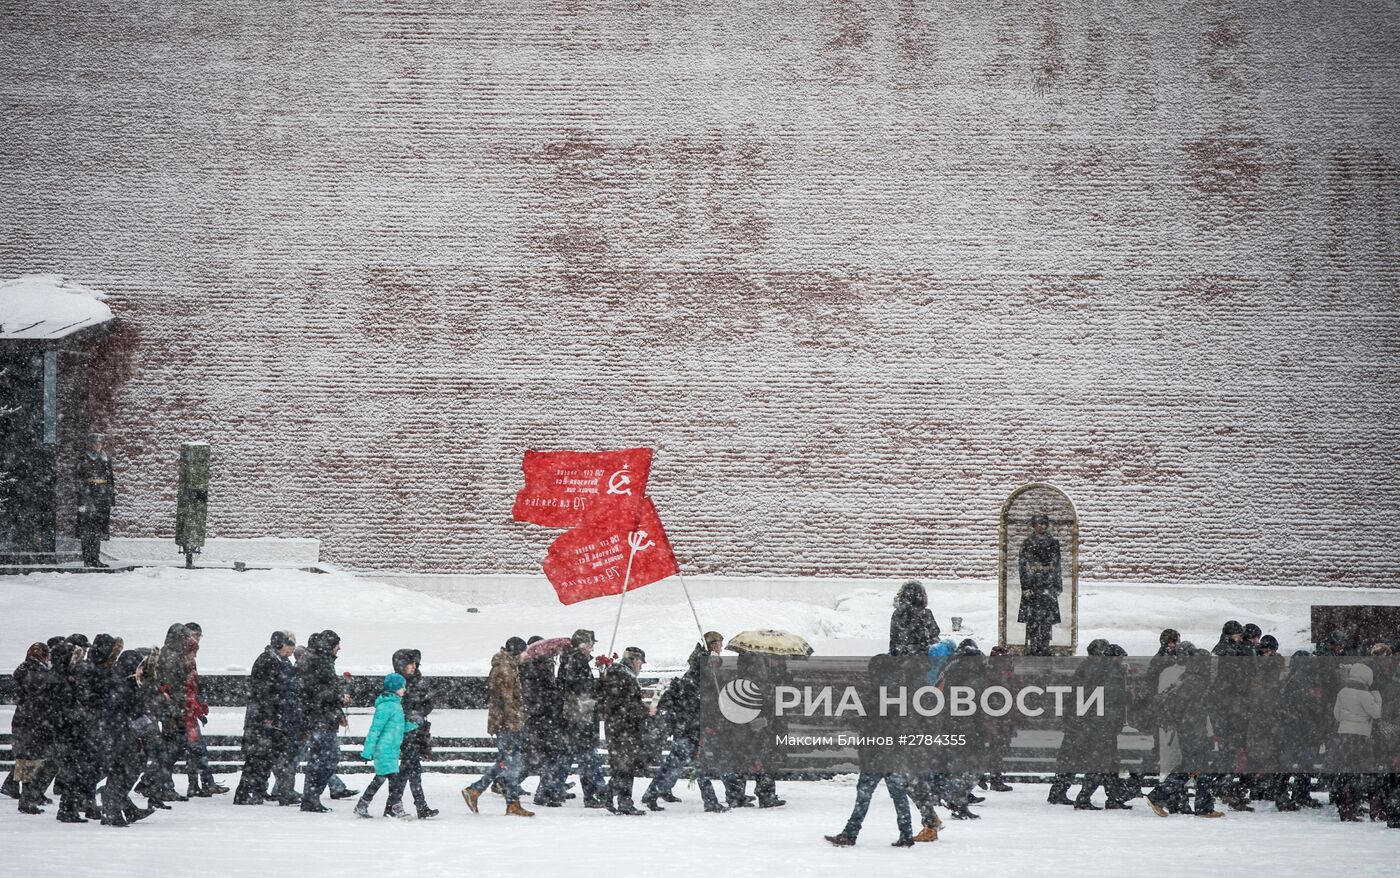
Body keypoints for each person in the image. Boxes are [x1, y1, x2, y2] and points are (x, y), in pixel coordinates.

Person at [825, 655, 917, 848]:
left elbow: (869, 725)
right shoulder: (900, 693)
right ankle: (906, 833)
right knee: (898, 795)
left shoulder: (875, 693)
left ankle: (850, 833)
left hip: (876, 753)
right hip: (894, 752)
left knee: (864, 795)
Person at [641, 639, 724, 812]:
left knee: (673, 765)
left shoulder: (692, 680)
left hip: (686, 730)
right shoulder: (695, 683)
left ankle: (651, 793)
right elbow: (695, 708)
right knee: (699, 767)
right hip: (690, 730)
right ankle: (710, 801)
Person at [1147, 646, 1225, 818]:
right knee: (1195, 768)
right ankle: (1159, 797)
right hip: (1194, 731)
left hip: (1189, 729)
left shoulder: (1187, 678)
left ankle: (1202, 806)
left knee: (1195, 767)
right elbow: (1198, 710)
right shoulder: (1196, 682)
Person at [462, 637, 534, 817]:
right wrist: (513, 723)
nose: (526, 655)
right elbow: (507, 700)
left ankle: (476, 790)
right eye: (524, 651)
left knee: (506, 762)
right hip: (508, 724)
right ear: (517, 651)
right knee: (511, 764)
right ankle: (512, 803)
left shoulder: (508, 667)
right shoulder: (505, 669)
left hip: (507, 722)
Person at [539, 629, 607, 808]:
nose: (592, 648)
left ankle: (551, 791)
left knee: (569, 757)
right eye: (591, 643)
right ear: (584, 644)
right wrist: (598, 687)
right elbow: (581, 690)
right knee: (586, 758)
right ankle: (593, 794)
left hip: (573, 717)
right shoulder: (576, 661)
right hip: (579, 716)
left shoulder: (570, 660)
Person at [235, 631, 298, 805]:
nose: (289, 650)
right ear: (280, 644)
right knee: (256, 758)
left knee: (263, 757)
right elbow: (265, 692)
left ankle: (257, 791)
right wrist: (270, 715)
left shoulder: (276, 660)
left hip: (266, 717)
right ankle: (244, 793)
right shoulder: (267, 661)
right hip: (262, 719)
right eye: (288, 646)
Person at [297, 630, 348, 812]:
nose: (339, 648)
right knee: (327, 758)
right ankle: (311, 797)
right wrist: (337, 696)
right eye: (337, 645)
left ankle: (311, 797)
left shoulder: (317, 661)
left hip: (321, 718)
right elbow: (316, 693)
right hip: (320, 719)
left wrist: (338, 707)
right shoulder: (319, 663)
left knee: (320, 759)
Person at [354, 672, 417, 819]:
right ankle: (394, 808)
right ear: (395, 688)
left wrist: (413, 725)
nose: (404, 690)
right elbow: (375, 730)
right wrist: (367, 751)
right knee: (393, 780)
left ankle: (363, 805)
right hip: (384, 749)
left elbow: (398, 727)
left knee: (381, 778)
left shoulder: (395, 705)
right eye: (402, 687)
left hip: (391, 749)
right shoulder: (387, 706)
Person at [598, 646, 652, 815]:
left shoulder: (617, 674)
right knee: (625, 766)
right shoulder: (623, 676)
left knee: (624, 766)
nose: (641, 666)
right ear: (634, 660)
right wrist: (645, 710)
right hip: (623, 728)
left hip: (619, 727)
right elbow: (625, 705)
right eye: (640, 662)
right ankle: (621, 800)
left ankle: (614, 796)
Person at [1330, 662, 1382, 821]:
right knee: (1361, 771)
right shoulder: (1365, 695)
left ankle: (1345, 806)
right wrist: (1378, 698)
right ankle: (1359, 806)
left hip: (1343, 735)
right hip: (1360, 736)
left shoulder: (1342, 692)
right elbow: (1376, 713)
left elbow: (1337, 715)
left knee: (1345, 771)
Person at [12, 642, 57, 815]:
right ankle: (29, 798)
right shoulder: (39, 673)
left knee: (26, 760)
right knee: (35, 760)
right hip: (36, 721)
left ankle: (26, 797)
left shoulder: (23, 669)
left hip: (23, 719)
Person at [393, 648, 437, 818]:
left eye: (415, 664)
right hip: (406, 733)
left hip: (417, 731)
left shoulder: (418, 681)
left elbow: (427, 703)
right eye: (410, 664)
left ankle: (405, 803)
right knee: (410, 770)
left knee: (410, 770)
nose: (413, 667)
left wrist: (421, 710)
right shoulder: (397, 683)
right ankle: (416, 804)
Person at [1017, 512, 1063, 656]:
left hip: (1047, 584)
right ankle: (1033, 644)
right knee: (1032, 618)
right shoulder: (1027, 543)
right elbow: (1023, 565)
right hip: (1033, 584)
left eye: (1044, 523)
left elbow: (1057, 565)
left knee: (1046, 619)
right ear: (1034, 526)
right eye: (1039, 523)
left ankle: (1045, 644)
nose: (1042, 526)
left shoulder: (1053, 543)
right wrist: (1026, 586)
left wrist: (1057, 585)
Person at [75, 432, 116, 568]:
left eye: (99, 443)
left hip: (102, 498)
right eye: (94, 443)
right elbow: (79, 481)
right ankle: (88, 559)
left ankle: (96, 558)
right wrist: (83, 499)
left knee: (98, 530)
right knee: (87, 530)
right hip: (88, 498)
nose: (97, 446)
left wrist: (111, 498)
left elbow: (110, 480)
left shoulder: (105, 459)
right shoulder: (83, 458)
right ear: (90, 444)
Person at [889, 580, 939, 657]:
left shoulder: (898, 613)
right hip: (922, 657)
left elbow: (895, 638)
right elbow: (934, 633)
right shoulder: (925, 613)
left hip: (899, 655)